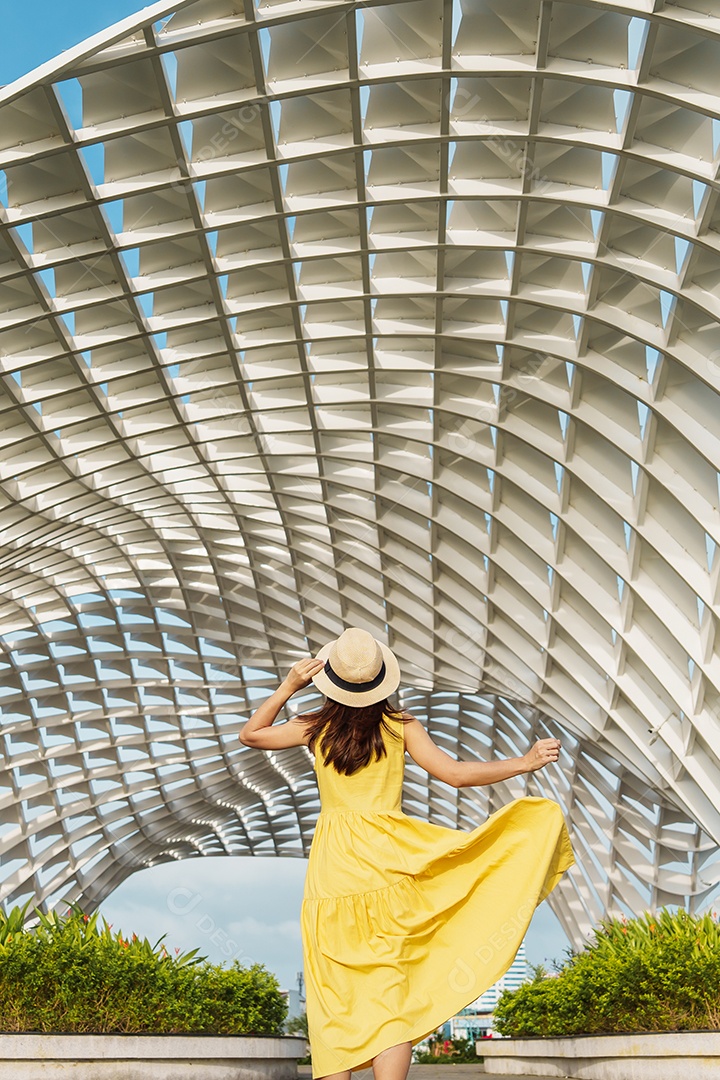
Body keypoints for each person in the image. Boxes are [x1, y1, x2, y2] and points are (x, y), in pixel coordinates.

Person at [240, 627, 574, 1080]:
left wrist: (288, 686)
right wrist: (525, 761)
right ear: (380, 680)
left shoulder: (314, 727)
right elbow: (454, 775)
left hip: (334, 867)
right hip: (393, 860)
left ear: (330, 679)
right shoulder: (400, 726)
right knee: (391, 990)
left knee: (335, 990)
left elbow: (252, 735)